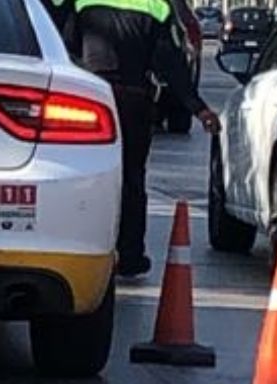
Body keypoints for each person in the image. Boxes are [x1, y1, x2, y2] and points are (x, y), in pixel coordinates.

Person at [51, 0, 221, 278]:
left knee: (80, 176)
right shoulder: (156, 6)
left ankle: (75, 246)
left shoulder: (78, 3)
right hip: (134, 101)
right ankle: (130, 255)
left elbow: (62, 48)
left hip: (89, 100)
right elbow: (171, 65)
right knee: (132, 179)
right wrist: (198, 109)